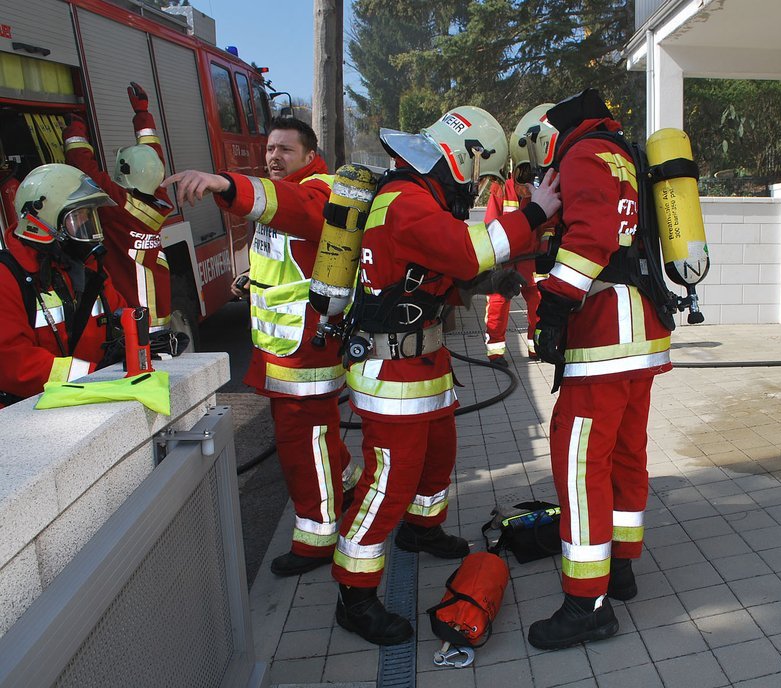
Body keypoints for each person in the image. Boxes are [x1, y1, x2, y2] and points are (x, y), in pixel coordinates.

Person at [331, 106, 561, 646]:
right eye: (480, 177)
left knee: (438, 459)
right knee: (388, 483)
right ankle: (355, 596)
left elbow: (438, 271)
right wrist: (535, 212)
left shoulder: (421, 198)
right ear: (466, 156)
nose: (476, 190)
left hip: (424, 367)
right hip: (392, 376)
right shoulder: (405, 200)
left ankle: (422, 530)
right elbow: (464, 251)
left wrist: (494, 281)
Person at [163, 117, 358, 577]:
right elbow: (292, 255)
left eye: (285, 150)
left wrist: (225, 183)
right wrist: (255, 280)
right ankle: (343, 484)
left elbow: (293, 208)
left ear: (310, 156)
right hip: (285, 348)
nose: (273, 157)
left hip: (304, 354)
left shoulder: (318, 190)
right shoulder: (289, 192)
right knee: (317, 438)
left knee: (301, 445)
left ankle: (317, 538)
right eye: (270, 149)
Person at [526, 90, 673, 650]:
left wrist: (554, 309)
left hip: (603, 336)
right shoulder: (622, 153)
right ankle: (622, 568)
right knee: (627, 453)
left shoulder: (582, 154)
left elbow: (590, 239)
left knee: (580, 465)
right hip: (642, 332)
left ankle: (586, 604)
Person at [0, 164, 128, 407]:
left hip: (89, 400)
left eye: (91, 218)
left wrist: (145, 342)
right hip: (28, 412)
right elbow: (13, 363)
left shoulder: (86, 268)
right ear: (43, 221)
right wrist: (94, 375)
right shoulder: (7, 277)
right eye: (78, 218)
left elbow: (119, 315)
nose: (88, 228)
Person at [62, 83, 175, 334]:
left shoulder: (118, 205)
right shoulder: (160, 199)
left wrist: (75, 130)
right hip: (158, 312)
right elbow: (153, 160)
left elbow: (84, 169)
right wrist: (142, 115)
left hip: (134, 319)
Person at [481, 103, 556, 365]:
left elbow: (548, 225)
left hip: (532, 261)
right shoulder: (502, 189)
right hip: (506, 261)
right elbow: (491, 225)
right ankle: (495, 351)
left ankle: (537, 347)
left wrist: (546, 253)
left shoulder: (542, 189)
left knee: (538, 305)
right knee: (498, 304)